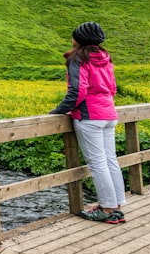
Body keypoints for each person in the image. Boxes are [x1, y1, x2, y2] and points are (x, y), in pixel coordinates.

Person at [49, 22, 127, 224]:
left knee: (98, 163)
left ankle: (107, 209)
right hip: (108, 113)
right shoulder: (105, 57)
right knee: (110, 160)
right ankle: (116, 207)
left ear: (79, 39)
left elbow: (77, 91)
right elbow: (112, 88)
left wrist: (58, 111)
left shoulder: (78, 59)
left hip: (90, 115)